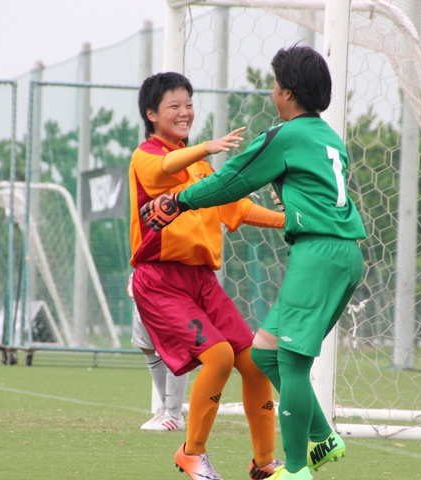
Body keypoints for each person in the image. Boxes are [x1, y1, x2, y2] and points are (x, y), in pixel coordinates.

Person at [140, 45, 367, 480]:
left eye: (275, 84)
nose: (273, 91)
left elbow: (232, 181)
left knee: (292, 363)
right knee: (263, 355)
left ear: (286, 92)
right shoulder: (329, 137)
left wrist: (179, 201)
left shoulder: (286, 135)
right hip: (344, 253)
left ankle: (297, 471)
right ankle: (322, 435)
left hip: (318, 253)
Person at [129, 71, 285, 480]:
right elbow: (165, 165)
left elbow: (238, 209)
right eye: (174, 106)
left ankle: (265, 463)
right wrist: (205, 148)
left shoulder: (200, 166)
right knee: (216, 357)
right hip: (160, 281)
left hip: (201, 282)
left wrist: (289, 220)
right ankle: (192, 453)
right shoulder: (146, 156)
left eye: (188, 104)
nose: (184, 112)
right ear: (151, 114)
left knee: (255, 363)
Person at [127, 272, 189, 432]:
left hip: (168, 280)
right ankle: (166, 407)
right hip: (143, 275)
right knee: (146, 346)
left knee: (174, 350)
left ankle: (174, 415)